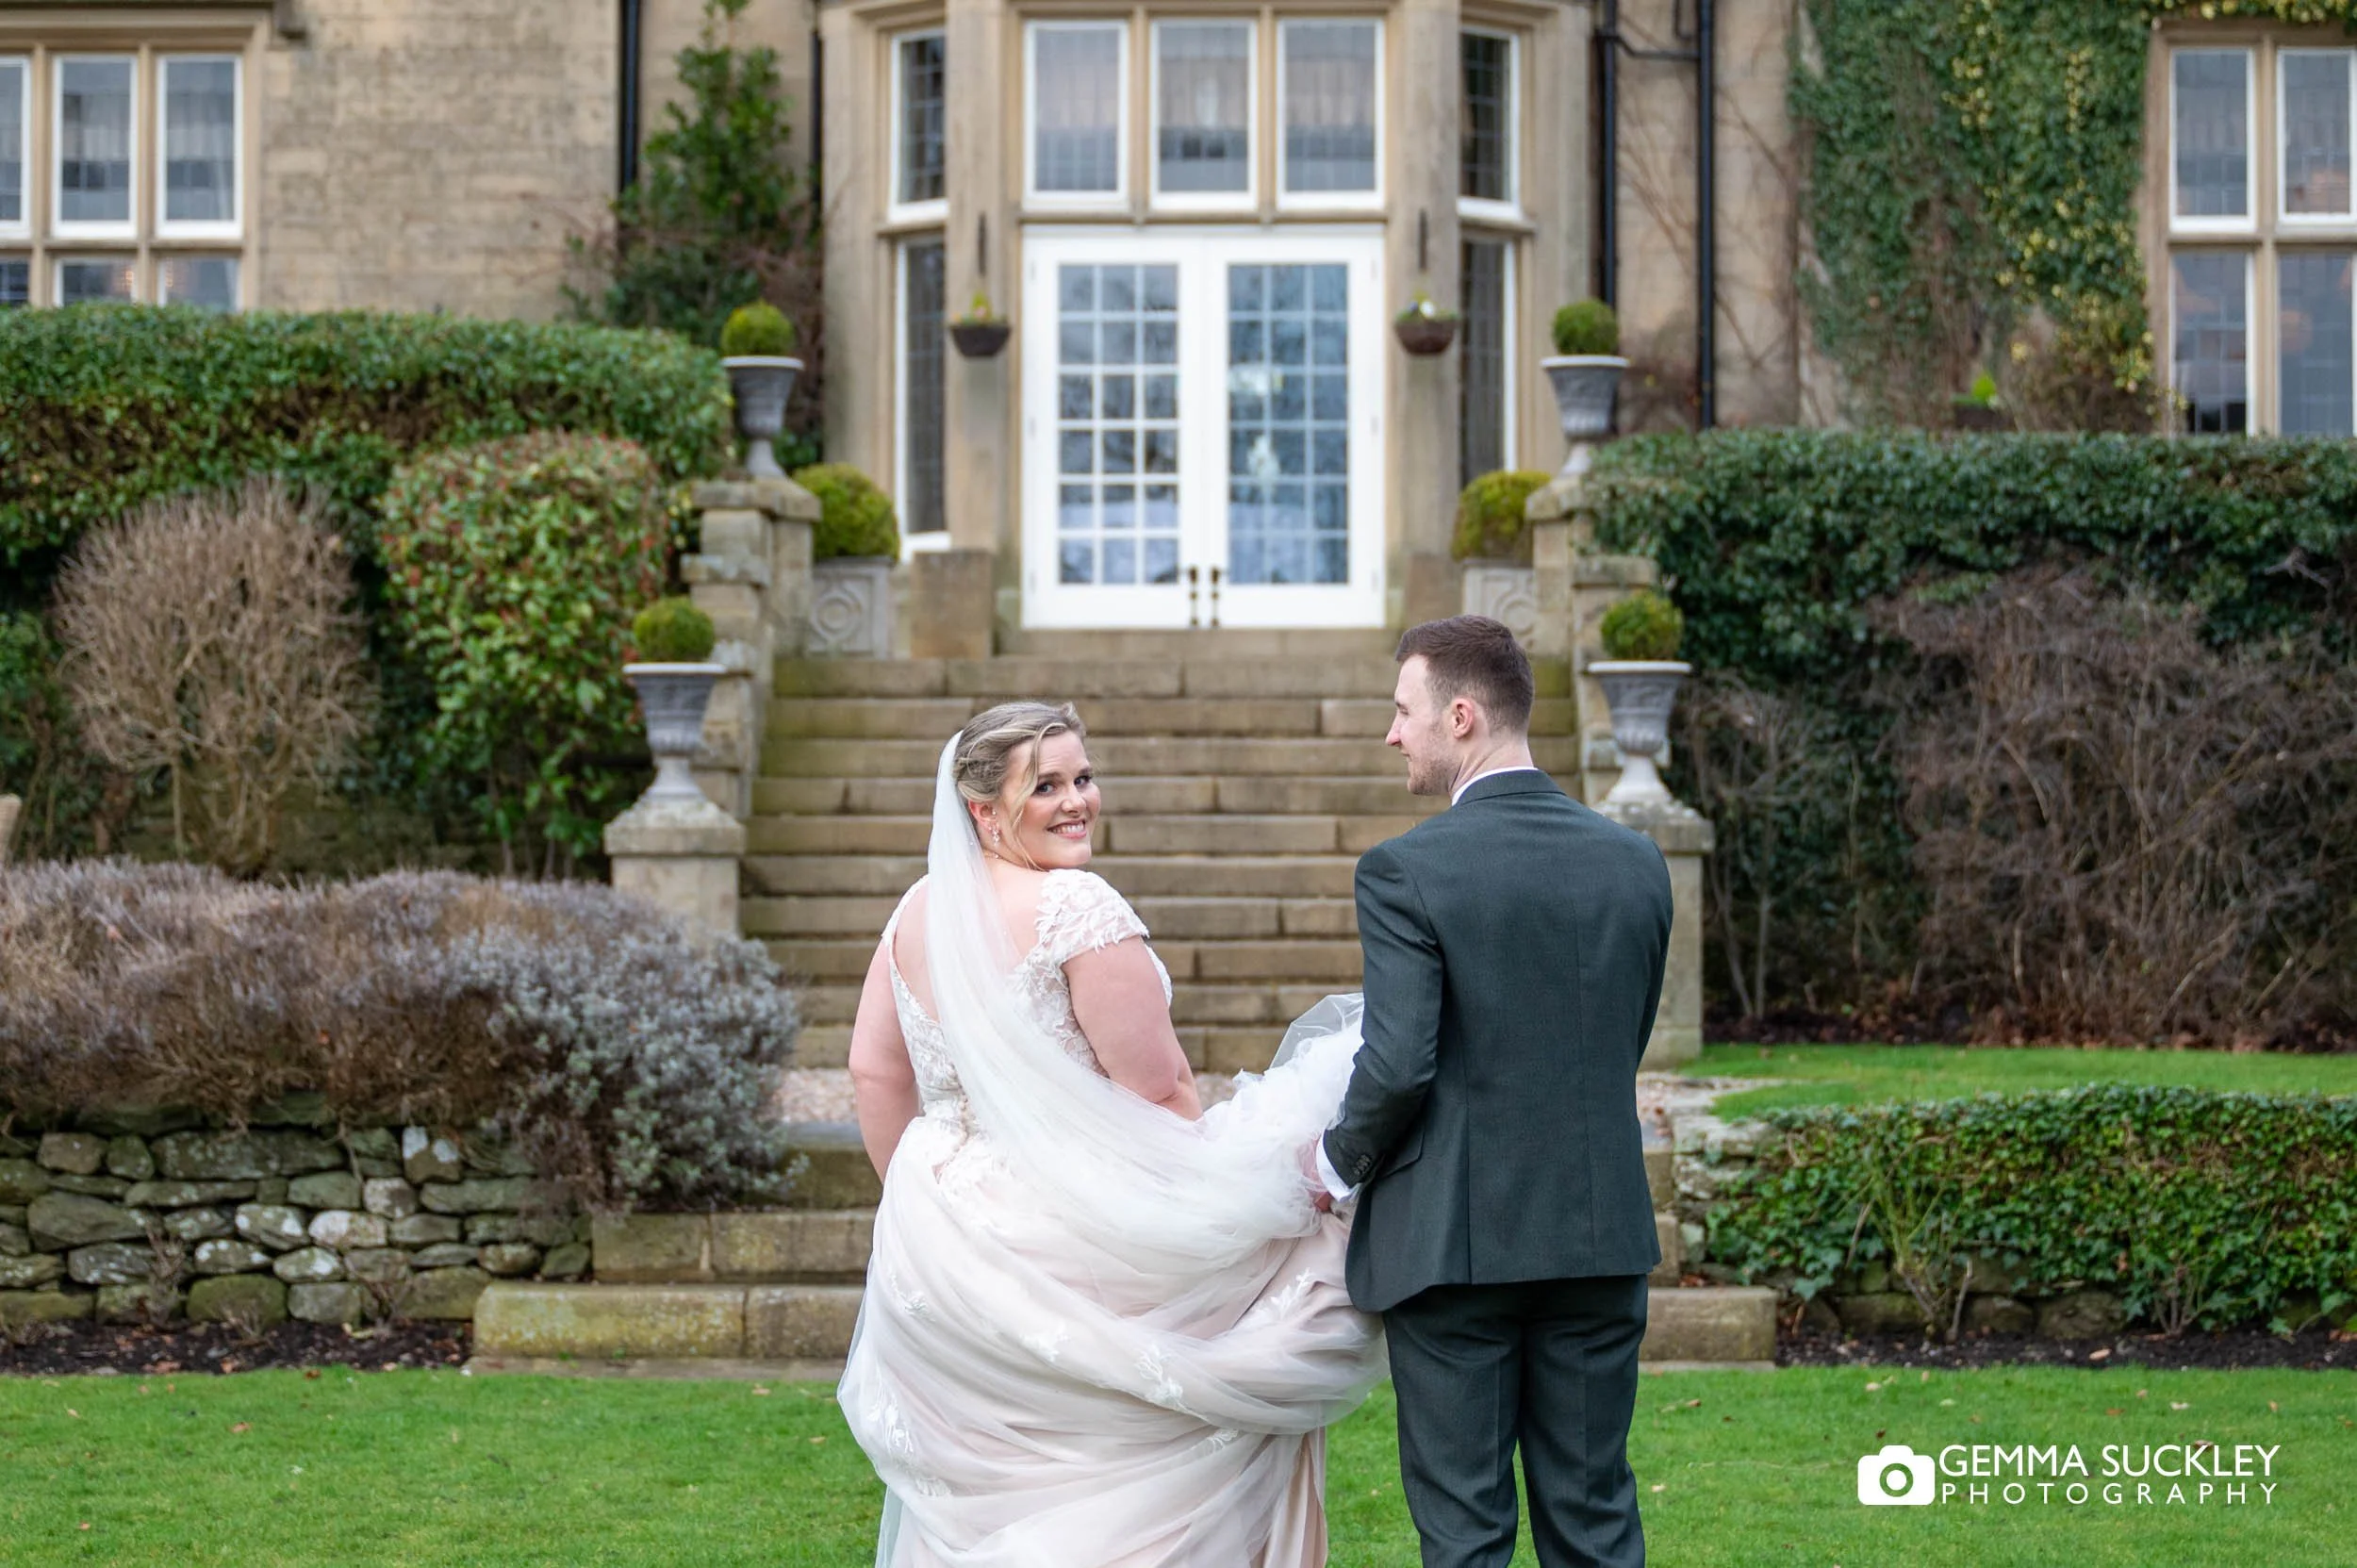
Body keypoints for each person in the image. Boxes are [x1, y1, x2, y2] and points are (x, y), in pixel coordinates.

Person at [839, 701, 1383, 1566]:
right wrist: (1210, 1217)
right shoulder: (1075, 906)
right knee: (1193, 1396)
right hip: (1075, 1214)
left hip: (944, 1228)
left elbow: (876, 1071)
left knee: (1019, 1472)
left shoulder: (917, 909)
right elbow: (1161, 1090)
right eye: (1045, 786)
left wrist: (921, 1204)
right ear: (983, 811)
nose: (1076, 801)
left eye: (1082, 777)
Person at [1314, 616, 1673, 1568]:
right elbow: (1616, 1044)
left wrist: (1335, 1162)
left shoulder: (1405, 871)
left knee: (1466, 1536)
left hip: (1453, 1247)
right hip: (1597, 1235)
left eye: (1404, 711)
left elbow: (1397, 1066)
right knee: (1595, 1520)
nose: (1393, 733)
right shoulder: (1636, 863)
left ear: (1461, 716)